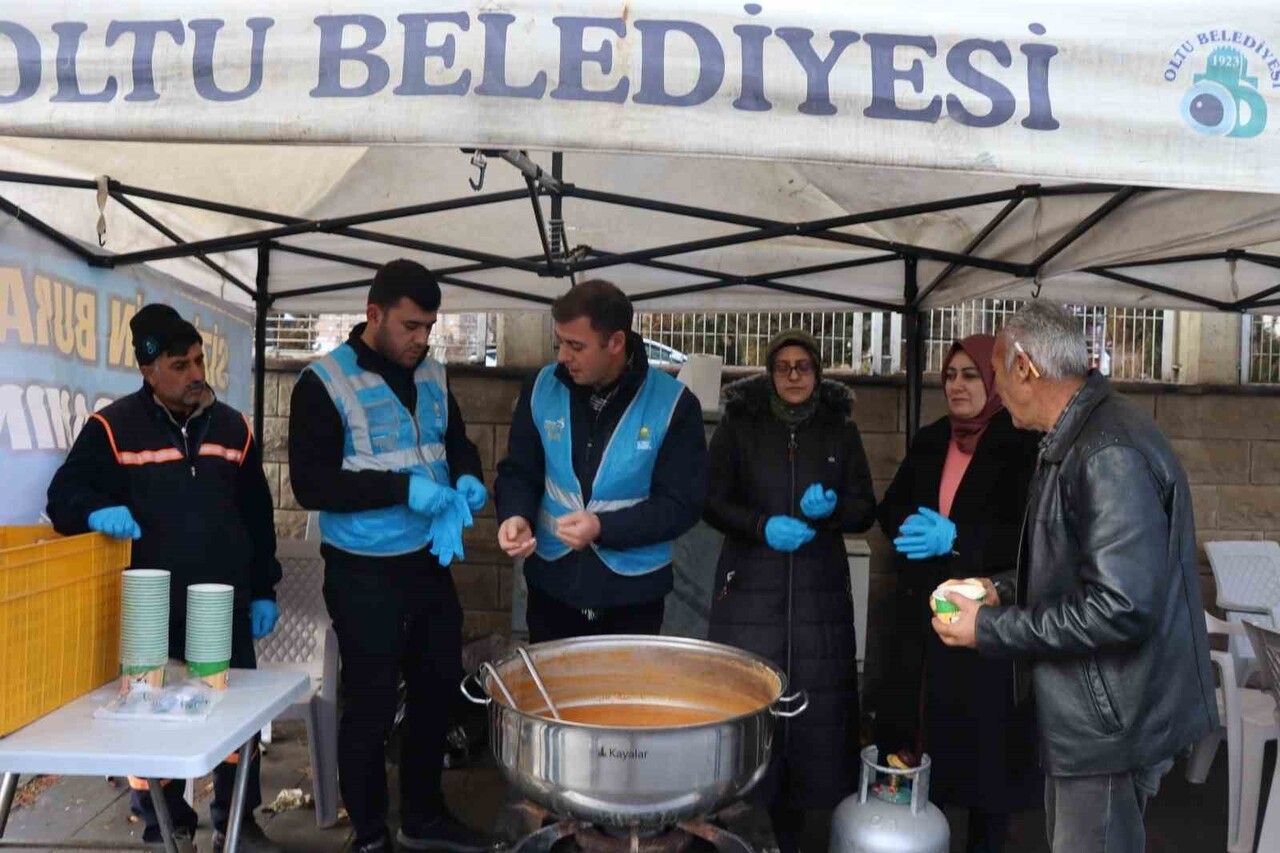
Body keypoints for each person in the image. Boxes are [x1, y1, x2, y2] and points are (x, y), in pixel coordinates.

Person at [932, 301, 1218, 853]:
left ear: (1026, 369)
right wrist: (1000, 588)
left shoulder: (1106, 451)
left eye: (994, 371)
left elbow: (1120, 606)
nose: (993, 387)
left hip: (1111, 722)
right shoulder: (1077, 434)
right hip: (1098, 713)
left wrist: (989, 627)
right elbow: (1073, 566)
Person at [46, 304, 282, 853]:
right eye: (181, 364)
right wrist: (93, 513)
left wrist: (264, 587)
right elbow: (63, 497)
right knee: (149, 723)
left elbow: (258, 515)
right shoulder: (112, 428)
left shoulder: (233, 427)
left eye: (200, 360)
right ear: (148, 370)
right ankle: (165, 825)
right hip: (148, 610)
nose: (197, 374)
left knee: (232, 724)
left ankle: (238, 822)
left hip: (222, 605)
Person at [287, 260, 488, 853]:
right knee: (372, 704)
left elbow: (456, 441)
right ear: (373, 314)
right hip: (363, 570)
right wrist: (402, 490)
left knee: (437, 690)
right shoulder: (323, 383)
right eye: (410, 326)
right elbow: (312, 485)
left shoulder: (432, 373)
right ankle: (371, 834)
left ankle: (423, 817)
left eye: (429, 326)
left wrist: (470, 476)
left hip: (427, 561)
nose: (421, 339)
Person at [703, 329, 876, 853]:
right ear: (770, 373)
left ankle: (797, 834)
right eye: (784, 367)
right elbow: (710, 501)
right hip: (750, 591)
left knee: (813, 716)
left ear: (818, 373)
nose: (795, 376)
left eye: (804, 367)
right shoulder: (739, 426)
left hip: (819, 594)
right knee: (748, 708)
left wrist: (835, 512)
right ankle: (740, 826)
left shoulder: (839, 430)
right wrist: (760, 526)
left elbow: (865, 507)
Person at [876, 334, 1041, 853]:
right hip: (924, 626)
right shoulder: (931, 439)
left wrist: (958, 539)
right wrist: (915, 529)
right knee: (929, 753)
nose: (957, 385)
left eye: (970, 375)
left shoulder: (1020, 445)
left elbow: (1031, 537)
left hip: (986, 629)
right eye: (949, 375)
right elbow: (891, 509)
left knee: (986, 764)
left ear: (993, 383)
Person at [494, 279, 707, 642]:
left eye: (576, 346)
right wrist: (516, 515)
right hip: (552, 584)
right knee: (552, 693)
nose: (563, 356)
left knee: (622, 695)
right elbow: (519, 470)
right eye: (559, 342)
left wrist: (603, 527)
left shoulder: (674, 405)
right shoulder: (541, 387)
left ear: (616, 343)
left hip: (632, 594)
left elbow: (681, 505)